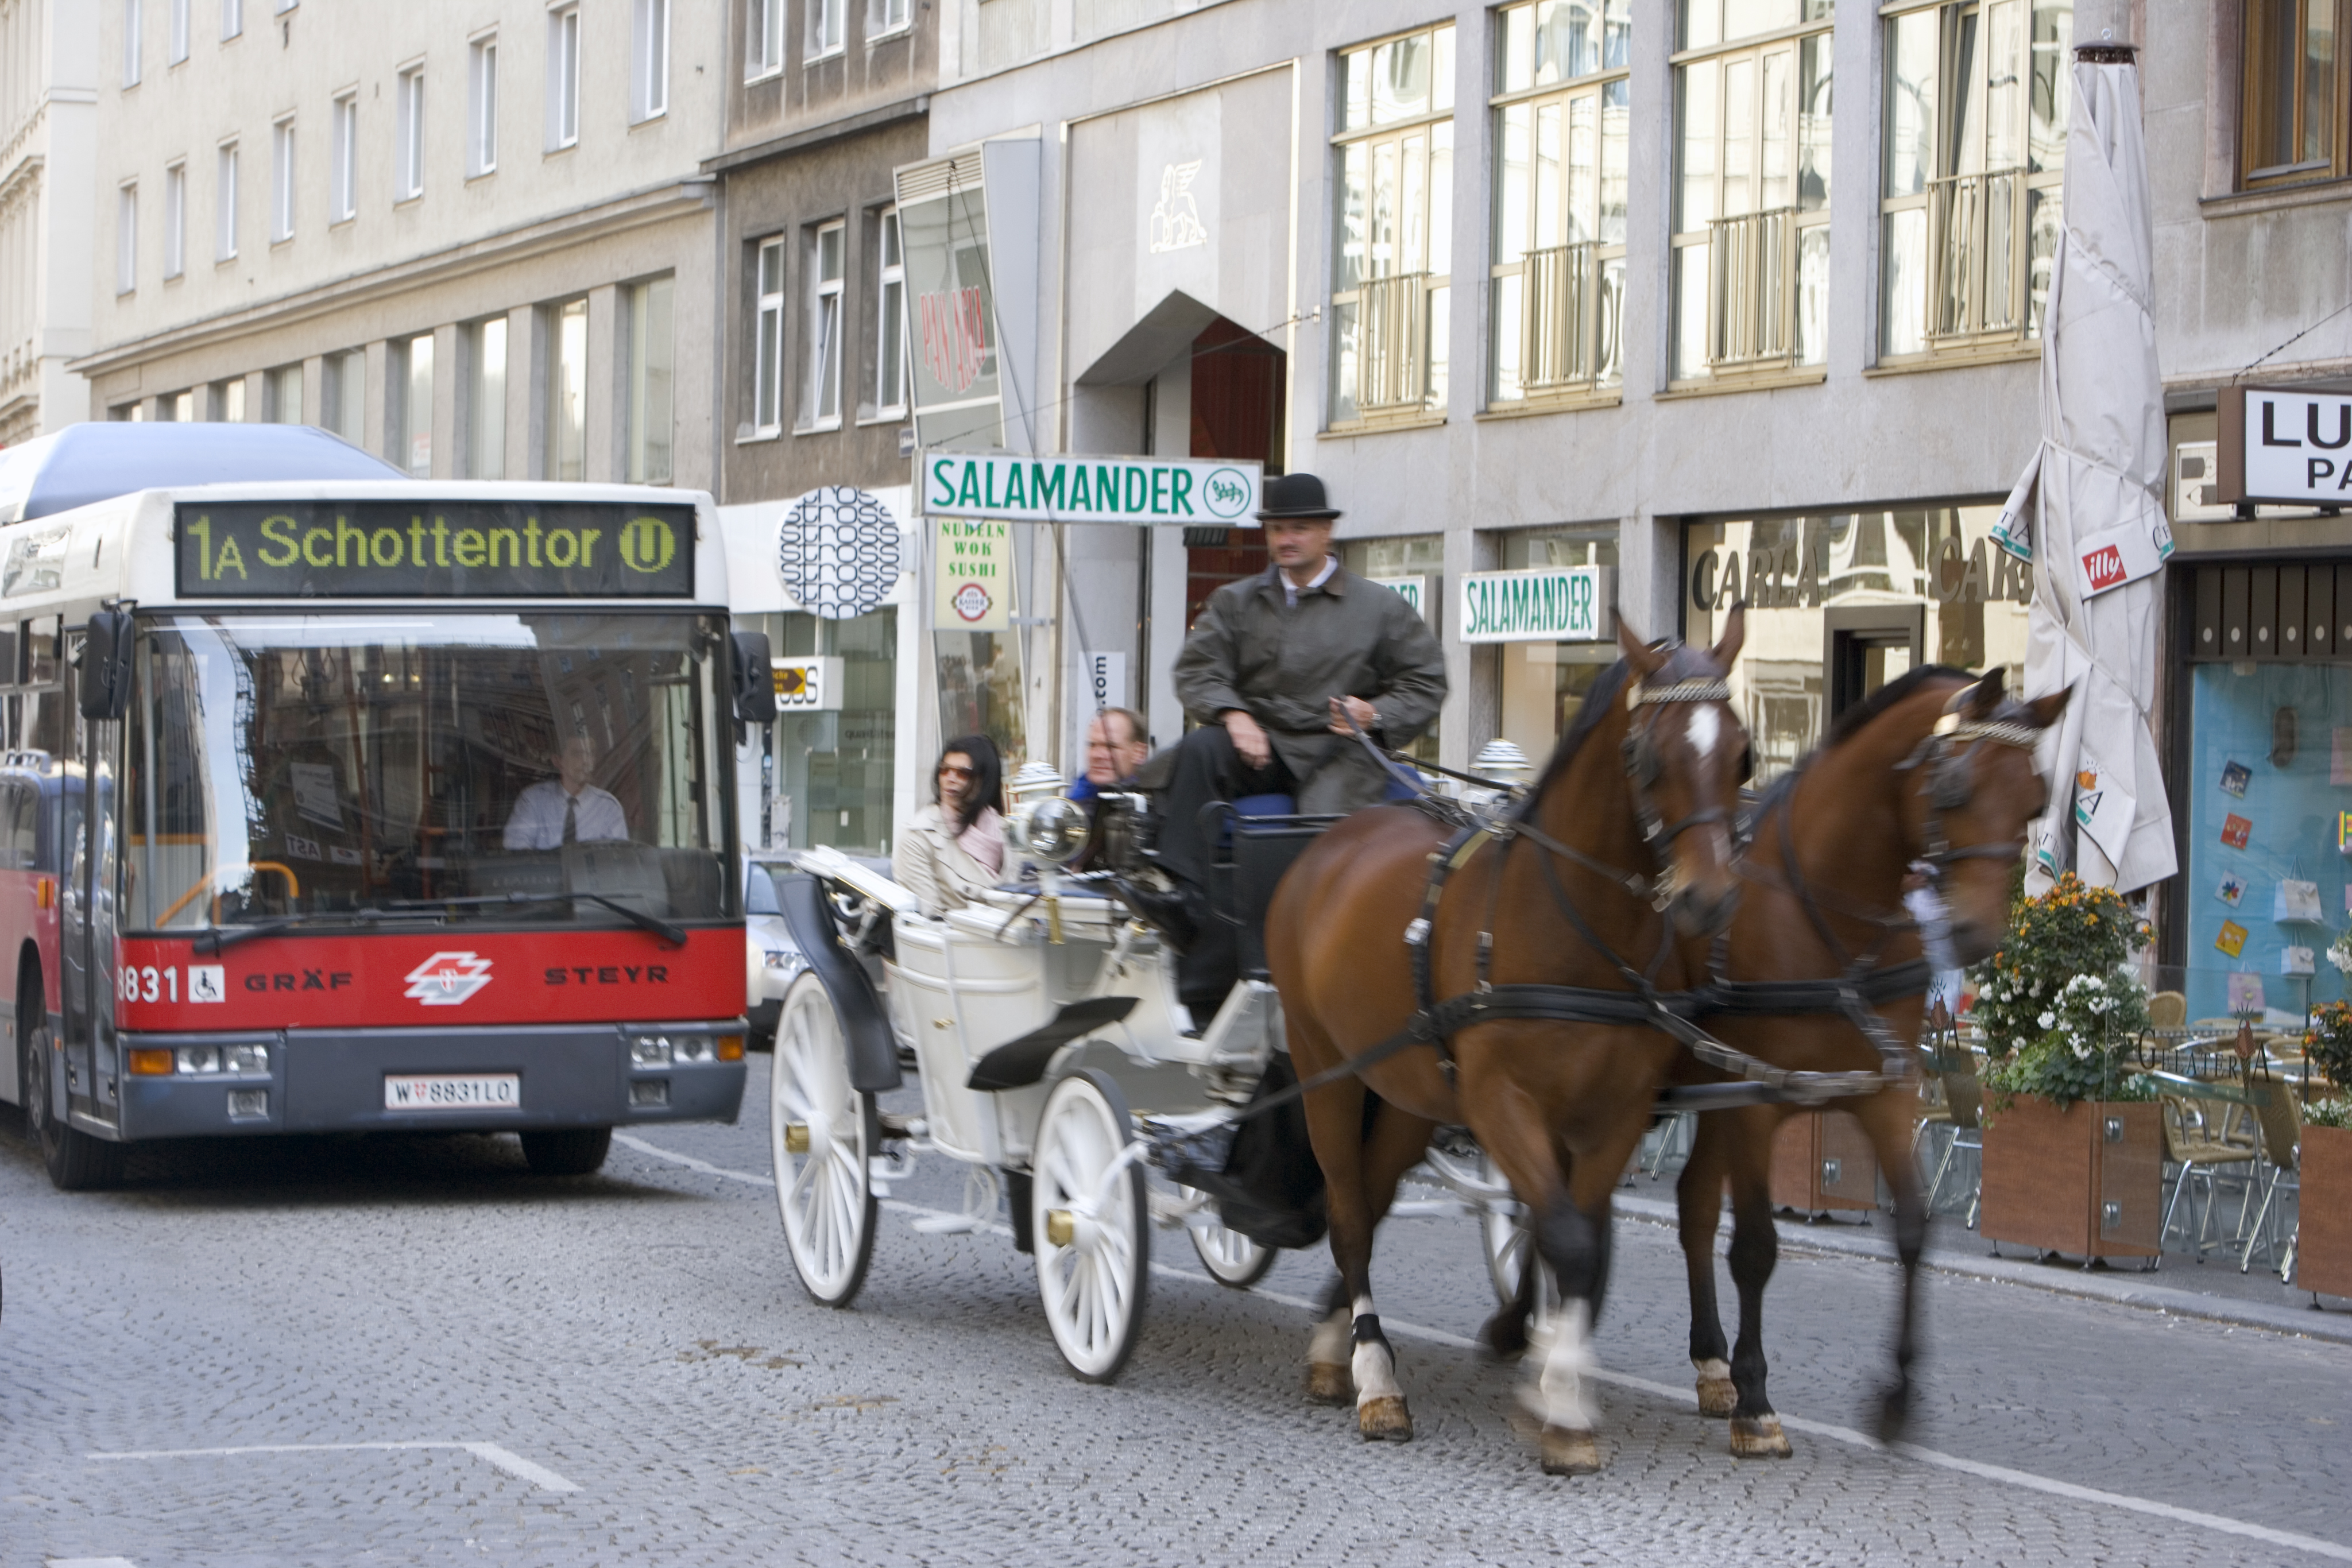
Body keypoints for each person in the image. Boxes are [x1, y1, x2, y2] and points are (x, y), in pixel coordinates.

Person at [1147, 471, 1448, 1021]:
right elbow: (1198, 670)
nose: (1287, 539)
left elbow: (1426, 683)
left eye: (1300, 529)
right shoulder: (1236, 602)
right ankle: (1183, 901)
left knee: (1326, 841)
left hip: (1339, 752)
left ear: (1327, 534)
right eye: (1278, 529)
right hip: (1259, 743)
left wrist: (1374, 713)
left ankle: (1331, 961)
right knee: (1198, 752)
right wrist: (1234, 714)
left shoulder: (1379, 607)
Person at [894, 735, 1008, 917]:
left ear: (985, 780)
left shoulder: (1010, 833)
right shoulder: (918, 836)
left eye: (963, 773)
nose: (950, 779)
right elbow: (929, 920)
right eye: (944, 770)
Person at [504, 733, 628, 850]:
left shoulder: (608, 807)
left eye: (590, 754)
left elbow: (617, 860)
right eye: (577, 754)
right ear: (558, 761)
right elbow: (517, 849)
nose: (586, 761)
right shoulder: (533, 800)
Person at [1070, 707, 1150, 802]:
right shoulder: (1071, 806)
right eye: (1092, 745)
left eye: (1111, 747)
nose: (1097, 755)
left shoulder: (1160, 807)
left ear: (1139, 752)